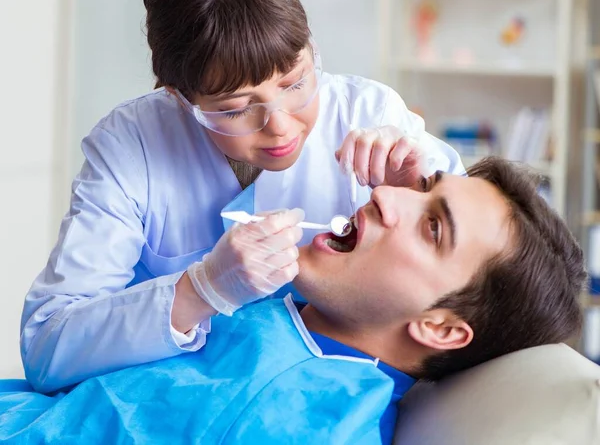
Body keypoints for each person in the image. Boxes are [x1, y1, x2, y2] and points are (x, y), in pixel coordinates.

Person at [20, 0, 464, 393]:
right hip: (170, 401)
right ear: (179, 97)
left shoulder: (369, 112)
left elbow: (491, 274)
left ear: (311, 49)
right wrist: (201, 290)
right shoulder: (132, 144)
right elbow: (46, 349)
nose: (281, 128)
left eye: (295, 82)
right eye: (235, 110)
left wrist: (422, 189)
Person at [2, 158, 586, 444]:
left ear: (438, 327)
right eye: (421, 189)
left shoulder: (311, 421)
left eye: (432, 227)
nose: (386, 195)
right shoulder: (285, 302)